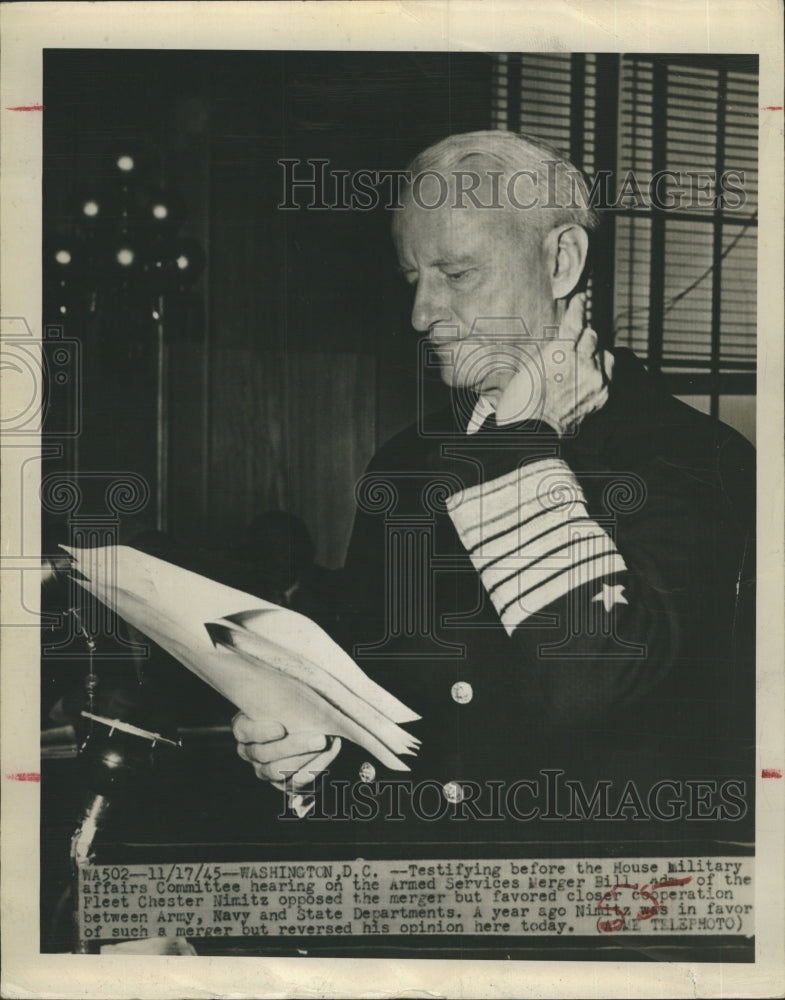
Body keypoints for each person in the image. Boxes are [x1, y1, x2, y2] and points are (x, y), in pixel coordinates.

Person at [232, 132, 755, 836]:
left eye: (456, 273)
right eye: (412, 279)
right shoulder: (405, 463)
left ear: (561, 261)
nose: (421, 315)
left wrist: (516, 446)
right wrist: (311, 750)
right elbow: (371, 702)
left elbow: (592, 679)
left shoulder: (699, 460)